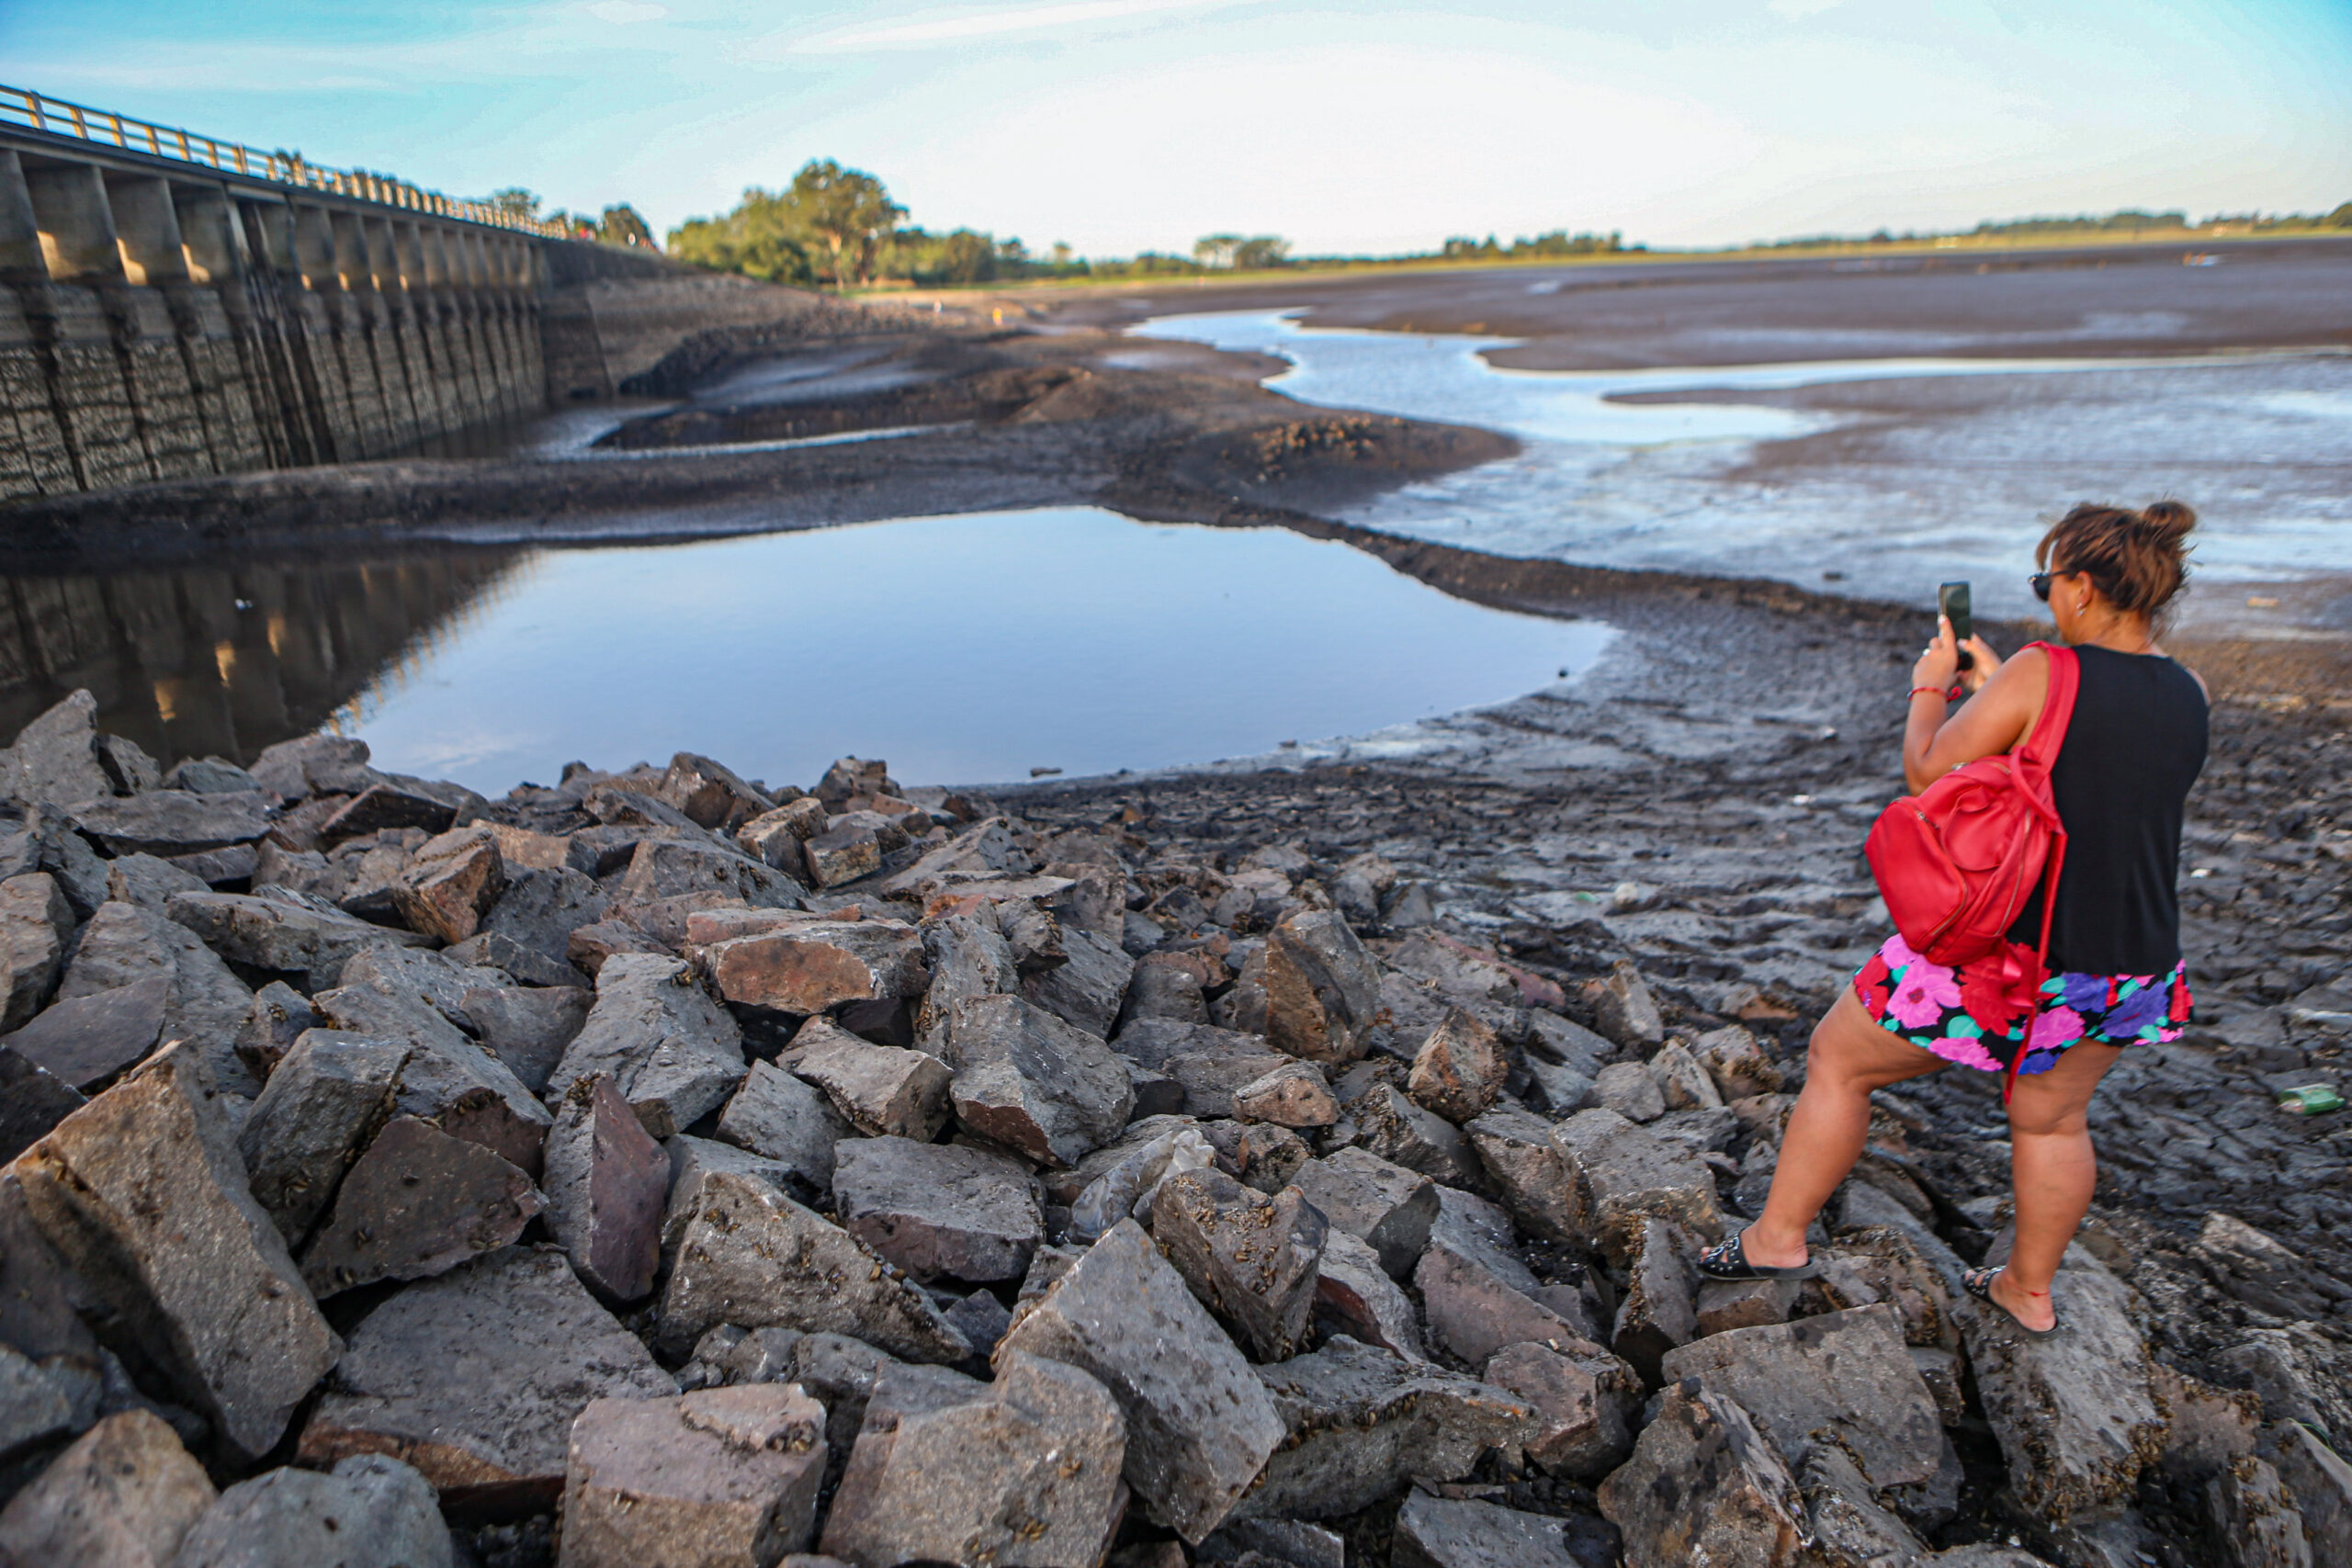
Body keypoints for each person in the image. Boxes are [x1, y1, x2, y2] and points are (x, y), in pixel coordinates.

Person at [1698, 501, 2209, 1335]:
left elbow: (1925, 768)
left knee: (1838, 1056)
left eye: (2049, 581)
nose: (2049, 597)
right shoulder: (2189, 689)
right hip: (2134, 964)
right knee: (2053, 1118)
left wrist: (1933, 685)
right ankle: (2027, 1290)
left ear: (2080, 587)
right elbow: (2090, 775)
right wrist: (2007, 685)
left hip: (2016, 956)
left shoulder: (2044, 671)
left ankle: (1777, 1237)